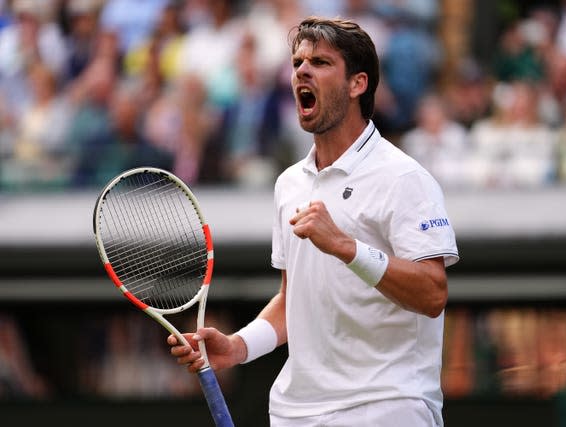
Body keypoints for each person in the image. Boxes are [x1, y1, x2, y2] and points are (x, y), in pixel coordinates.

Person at [167, 17, 459, 427]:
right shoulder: (289, 184)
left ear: (358, 84)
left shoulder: (405, 178)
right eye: (298, 61)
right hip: (296, 414)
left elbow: (432, 294)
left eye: (320, 62)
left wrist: (347, 247)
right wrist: (238, 346)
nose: (302, 70)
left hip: (387, 406)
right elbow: (293, 301)